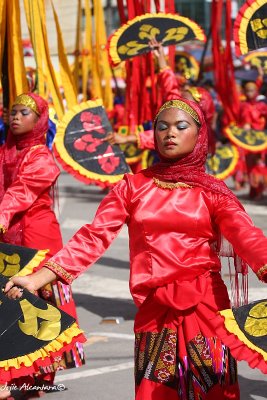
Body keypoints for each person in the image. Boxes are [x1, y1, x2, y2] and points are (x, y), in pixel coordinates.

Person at [5, 98, 267, 400]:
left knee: (210, 390)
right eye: (162, 127)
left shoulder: (212, 192)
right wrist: (38, 278)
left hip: (205, 303)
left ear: (199, 134)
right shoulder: (133, 186)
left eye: (181, 126)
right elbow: (94, 236)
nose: (170, 133)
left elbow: (246, 235)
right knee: (155, 391)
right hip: (154, 307)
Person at [0, 93, 84, 399]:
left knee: (42, 303)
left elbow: (20, 193)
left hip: (37, 237)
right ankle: (17, 372)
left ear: (40, 120)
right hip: (9, 237)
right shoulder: (5, 151)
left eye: (24, 112)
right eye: (13, 111)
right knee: (12, 301)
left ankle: (40, 373)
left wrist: (1, 217)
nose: (16, 116)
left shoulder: (41, 159)